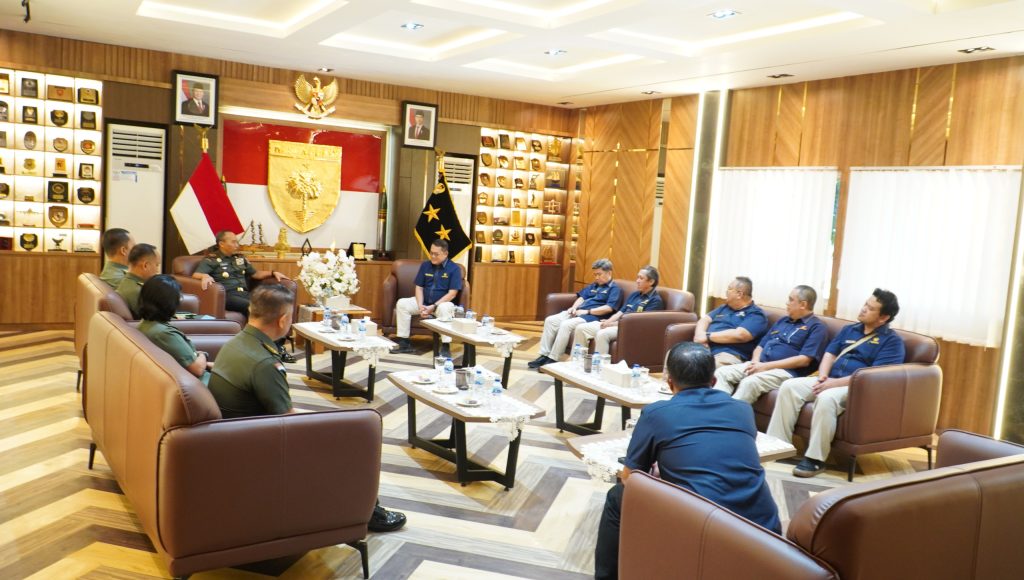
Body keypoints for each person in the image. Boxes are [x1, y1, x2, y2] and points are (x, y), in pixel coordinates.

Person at [208, 285, 407, 533]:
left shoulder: (236, 342)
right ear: (283, 320)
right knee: (350, 439)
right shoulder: (264, 363)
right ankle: (366, 513)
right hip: (257, 445)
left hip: (236, 435)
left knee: (339, 432)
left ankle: (359, 508)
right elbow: (288, 420)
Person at [594, 342, 781, 579]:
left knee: (617, 496)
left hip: (704, 523)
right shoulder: (742, 409)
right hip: (764, 530)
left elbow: (630, 478)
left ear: (669, 382)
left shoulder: (657, 413)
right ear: (714, 380)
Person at [767, 289, 905, 478]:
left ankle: (815, 459)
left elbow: (871, 377)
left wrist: (833, 384)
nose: (863, 309)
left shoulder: (892, 342)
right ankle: (777, 444)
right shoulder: (850, 329)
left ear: (884, 318)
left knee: (826, 398)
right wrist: (823, 376)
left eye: (871, 308)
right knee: (790, 387)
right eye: (865, 304)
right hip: (829, 380)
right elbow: (830, 353)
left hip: (856, 388)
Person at [713, 285, 828, 403]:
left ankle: (730, 413)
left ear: (803, 304)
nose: (787, 303)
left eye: (791, 300)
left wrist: (766, 366)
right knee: (722, 373)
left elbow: (804, 360)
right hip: (760, 364)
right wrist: (755, 362)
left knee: (750, 382)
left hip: (786, 371)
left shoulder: (817, 327)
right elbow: (760, 346)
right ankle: (718, 408)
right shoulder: (783, 320)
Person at [193, 231, 294, 361]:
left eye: (237, 241)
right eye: (233, 242)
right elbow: (196, 274)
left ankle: (278, 347)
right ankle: (260, 346)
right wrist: (204, 276)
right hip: (228, 296)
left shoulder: (239, 258)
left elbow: (255, 274)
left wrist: (273, 273)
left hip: (244, 294)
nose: (237, 244)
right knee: (254, 307)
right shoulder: (211, 260)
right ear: (221, 244)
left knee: (273, 305)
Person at [528, 258, 622, 369]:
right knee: (550, 320)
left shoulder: (614, 289)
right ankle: (544, 354)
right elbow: (581, 297)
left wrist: (588, 311)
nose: (596, 277)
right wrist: (574, 307)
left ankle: (553, 358)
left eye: (599, 274)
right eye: (595, 274)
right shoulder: (594, 285)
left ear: (609, 273)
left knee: (565, 325)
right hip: (578, 312)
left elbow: (609, 308)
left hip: (591, 316)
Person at [572, 266, 663, 355]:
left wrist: (613, 324)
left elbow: (640, 323)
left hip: (629, 328)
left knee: (602, 334)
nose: (637, 281)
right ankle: (575, 360)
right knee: (581, 328)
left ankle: (600, 364)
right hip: (616, 324)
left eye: (641, 278)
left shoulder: (655, 300)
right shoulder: (635, 294)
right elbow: (620, 312)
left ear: (651, 281)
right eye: (637, 277)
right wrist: (608, 322)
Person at [393, 239, 463, 356]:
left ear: (445, 254)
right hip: (424, 302)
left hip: (441, 304)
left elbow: (452, 294)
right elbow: (419, 287)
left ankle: (445, 346)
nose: (433, 256)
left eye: (436, 254)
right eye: (431, 253)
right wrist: (420, 305)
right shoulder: (425, 265)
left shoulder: (454, 269)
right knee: (402, 303)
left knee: (445, 308)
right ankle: (404, 343)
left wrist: (433, 306)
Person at [137, 275, 211, 384]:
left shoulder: (145, 324)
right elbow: (197, 369)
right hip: (203, 385)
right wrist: (203, 355)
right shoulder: (164, 334)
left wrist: (204, 363)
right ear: (168, 302)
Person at [694, 276, 768, 367]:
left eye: (729, 289)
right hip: (704, 348)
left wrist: (707, 336)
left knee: (699, 367)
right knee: (679, 357)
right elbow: (705, 319)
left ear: (739, 294)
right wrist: (700, 336)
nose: (726, 292)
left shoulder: (756, 314)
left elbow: (740, 335)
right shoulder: (724, 307)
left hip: (727, 354)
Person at [115, 243, 161, 318]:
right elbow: (152, 321)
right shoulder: (139, 292)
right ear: (145, 265)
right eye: (157, 265)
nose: (158, 270)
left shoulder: (127, 282)